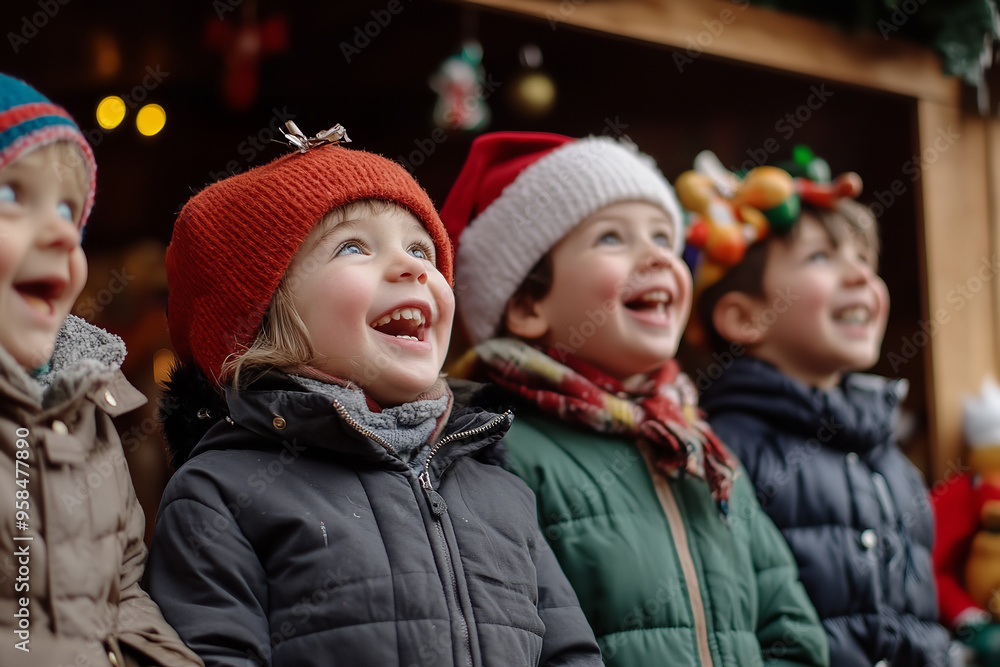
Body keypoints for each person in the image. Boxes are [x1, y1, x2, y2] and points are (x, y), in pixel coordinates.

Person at [144, 124, 602, 667]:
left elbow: (570, 654)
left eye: (421, 249)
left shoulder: (501, 491)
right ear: (265, 316)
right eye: (352, 246)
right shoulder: (221, 493)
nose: (413, 266)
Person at [441, 131, 828, 666]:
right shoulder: (501, 452)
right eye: (611, 239)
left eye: (665, 239)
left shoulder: (701, 450)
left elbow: (792, 633)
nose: (656, 257)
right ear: (529, 305)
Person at [690, 152, 950, 665]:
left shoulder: (893, 462)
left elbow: (923, 619)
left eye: (863, 260)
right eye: (821, 258)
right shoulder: (723, 454)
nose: (859, 277)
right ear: (745, 317)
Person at [0, 73, 203, 666]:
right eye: (13, 195)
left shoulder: (85, 418)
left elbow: (122, 591)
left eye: (70, 209)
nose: (64, 230)